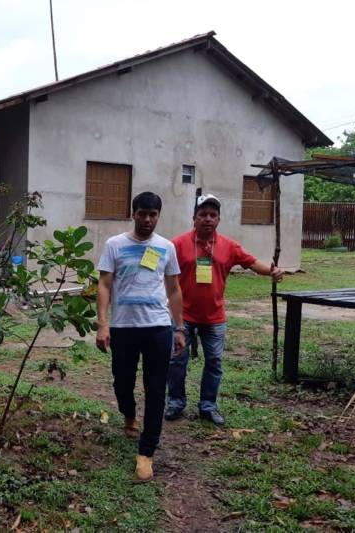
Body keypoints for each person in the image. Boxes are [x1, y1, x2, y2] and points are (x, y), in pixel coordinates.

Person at [165, 194, 284, 426]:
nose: (208, 219)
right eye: (203, 215)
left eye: (213, 215)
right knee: (176, 361)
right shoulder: (178, 244)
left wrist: (272, 271)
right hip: (182, 316)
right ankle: (176, 403)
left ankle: (208, 406)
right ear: (194, 218)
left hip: (214, 318)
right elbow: (160, 266)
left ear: (218, 219)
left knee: (214, 363)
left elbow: (251, 262)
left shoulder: (229, 246)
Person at [96, 191, 186, 481]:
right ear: (133, 213)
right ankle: (129, 413)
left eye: (153, 214)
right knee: (122, 382)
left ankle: (146, 452)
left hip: (158, 327)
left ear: (158, 216)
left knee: (156, 389)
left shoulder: (166, 247)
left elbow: (173, 290)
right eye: (142, 213)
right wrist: (102, 324)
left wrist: (180, 327)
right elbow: (105, 285)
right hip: (123, 327)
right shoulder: (115, 245)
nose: (147, 219)